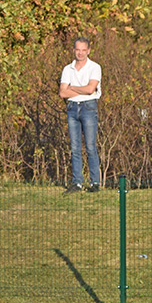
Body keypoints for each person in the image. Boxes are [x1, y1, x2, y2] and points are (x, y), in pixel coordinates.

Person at [59, 37, 102, 193]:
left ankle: (95, 183)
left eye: (84, 50)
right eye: (78, 49)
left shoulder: (95, 67)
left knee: (90, 146)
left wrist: (73, 87)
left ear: (88, 51)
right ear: (73, 50)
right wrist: (81, 89)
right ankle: (77, 182)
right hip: (72, 108)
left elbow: (91, 89)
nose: (81, 53)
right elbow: (62, 92)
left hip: (88, 107)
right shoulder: (67, 69)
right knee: (75, 147)